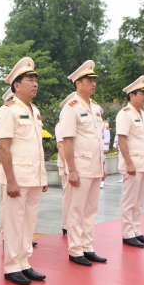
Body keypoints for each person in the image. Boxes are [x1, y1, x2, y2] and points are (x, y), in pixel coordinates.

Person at [0, 57, 47, 284]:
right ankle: (11, 266)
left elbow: (37, 146)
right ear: (16, 85)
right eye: (29, 79)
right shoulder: (8, 110)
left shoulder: (34, 110)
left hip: (33, 176)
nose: (34, 84)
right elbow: (2, 147)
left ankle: (24, 262)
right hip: (17, 176)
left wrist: (42, 176)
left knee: (28, 222)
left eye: (35, 80)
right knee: (13, 223)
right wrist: (10, 180)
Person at [58, 60, 107, 266]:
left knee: (90, 209)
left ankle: (87, 246)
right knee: (76, 210)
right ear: (78, 83)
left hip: (94, 166)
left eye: (94, 80)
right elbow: (66, 140)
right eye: (88, 80)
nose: (93, 84)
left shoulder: (95, 107)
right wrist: (72, 169)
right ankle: (75, 250)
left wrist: (102, 165)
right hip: (80, 166)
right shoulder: (71, 107)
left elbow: (97, 139)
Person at [116, 76, 144, 248]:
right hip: (133, 165)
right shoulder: (125, 114)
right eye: (142, 93)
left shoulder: (143, 114)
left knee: (139, 201)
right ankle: (127, 233)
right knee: (130, 200)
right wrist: (129, 163)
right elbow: (122, 140)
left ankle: (136, 230)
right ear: (132, 95)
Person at [55, 92, 77, 235]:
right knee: (69, 195)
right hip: (66, 164)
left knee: (74, 197)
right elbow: (61, 146)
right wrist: (69, 167)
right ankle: (66, 224)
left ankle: (72, 224)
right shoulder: (61, 125)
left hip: (75, 163)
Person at [99, 106, 110, 189]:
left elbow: (107, 136)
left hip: (102, 145)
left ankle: (102, 181)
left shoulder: (104, 123)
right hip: (94, 146)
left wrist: (106, 147)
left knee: (102, 162)